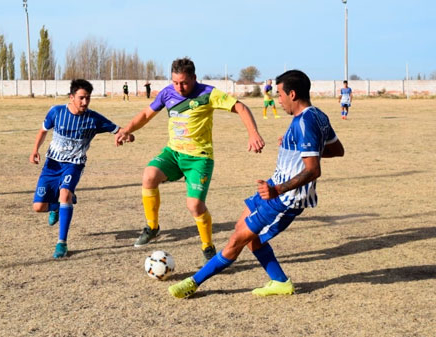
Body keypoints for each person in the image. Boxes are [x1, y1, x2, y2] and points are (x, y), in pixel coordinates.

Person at [168, 70, 345, 299]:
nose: (278, 100)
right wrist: (296, 146)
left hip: (285, 197)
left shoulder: (305, 122)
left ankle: (193, 282)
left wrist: (278, 190)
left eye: (280, 94)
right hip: (275, 186)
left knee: (238, 240)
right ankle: (280, 282)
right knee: (243, 230)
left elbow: (313, 169)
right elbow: (335, 149)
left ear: (292, 94)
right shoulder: (317, 115)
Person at [115, 57, 265, 264]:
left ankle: (207, 246)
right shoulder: (167, 93)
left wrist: (253, 133)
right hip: (173, 154)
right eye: (176, 82)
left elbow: (240, 107)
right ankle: (152, 227)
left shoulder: (208, 93)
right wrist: (126, 130)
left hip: (199, 159)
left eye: (184, 82)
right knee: (149, 176)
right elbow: (146, 114)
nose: (179, 87)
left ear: (194, 78)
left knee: (194, 205)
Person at [30, 79, 134, 259]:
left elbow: (120, 130)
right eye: (81, 98)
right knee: (38, 207)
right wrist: (34, 151)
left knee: (65, 194)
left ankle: (61, 243)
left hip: (74, 165)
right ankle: (57, 206)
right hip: (52, 165)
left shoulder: (94, 119)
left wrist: (128, 137)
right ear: (71, 97)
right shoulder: (57, 112)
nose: (85, 102)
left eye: (88, 98)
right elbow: (43, 131)